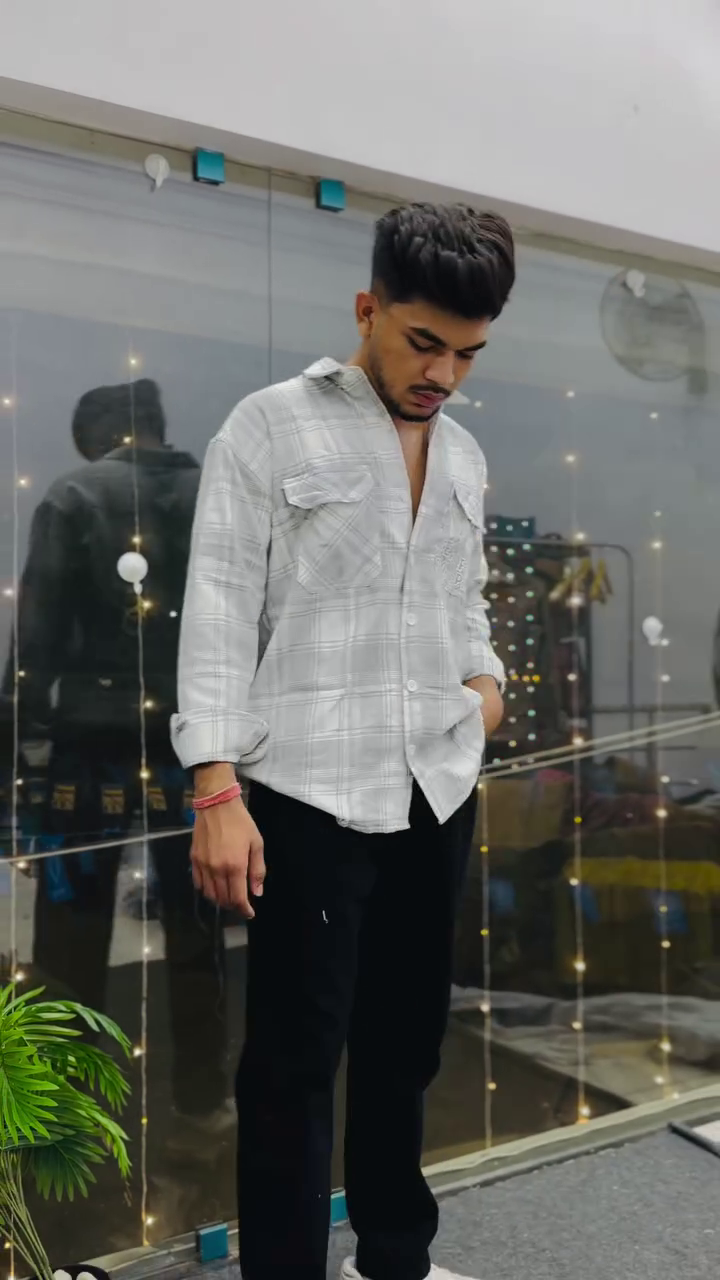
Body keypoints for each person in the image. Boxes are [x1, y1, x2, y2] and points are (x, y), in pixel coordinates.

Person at [173, 203, 515, 1280]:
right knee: (293, 1060)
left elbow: (465, 603)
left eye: (468, 353)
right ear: (368, 309)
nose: (443, 374)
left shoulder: (464, 456)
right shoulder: (269, 426)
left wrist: (489, 689)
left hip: (435, 788)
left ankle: (396, 1257)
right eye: (423, 342)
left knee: (407, 1045)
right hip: (306, 795)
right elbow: (219, 608)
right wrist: (215, 788)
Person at [4, 379, 230, 1136]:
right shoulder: (215, 495)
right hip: (195, 744)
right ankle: (203, 1099)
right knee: (199, 928)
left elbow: (36, 640)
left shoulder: (73, 495)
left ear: (95, 436)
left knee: (71, 929)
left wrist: (15, 753)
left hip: (88, 745)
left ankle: (62, 1106)